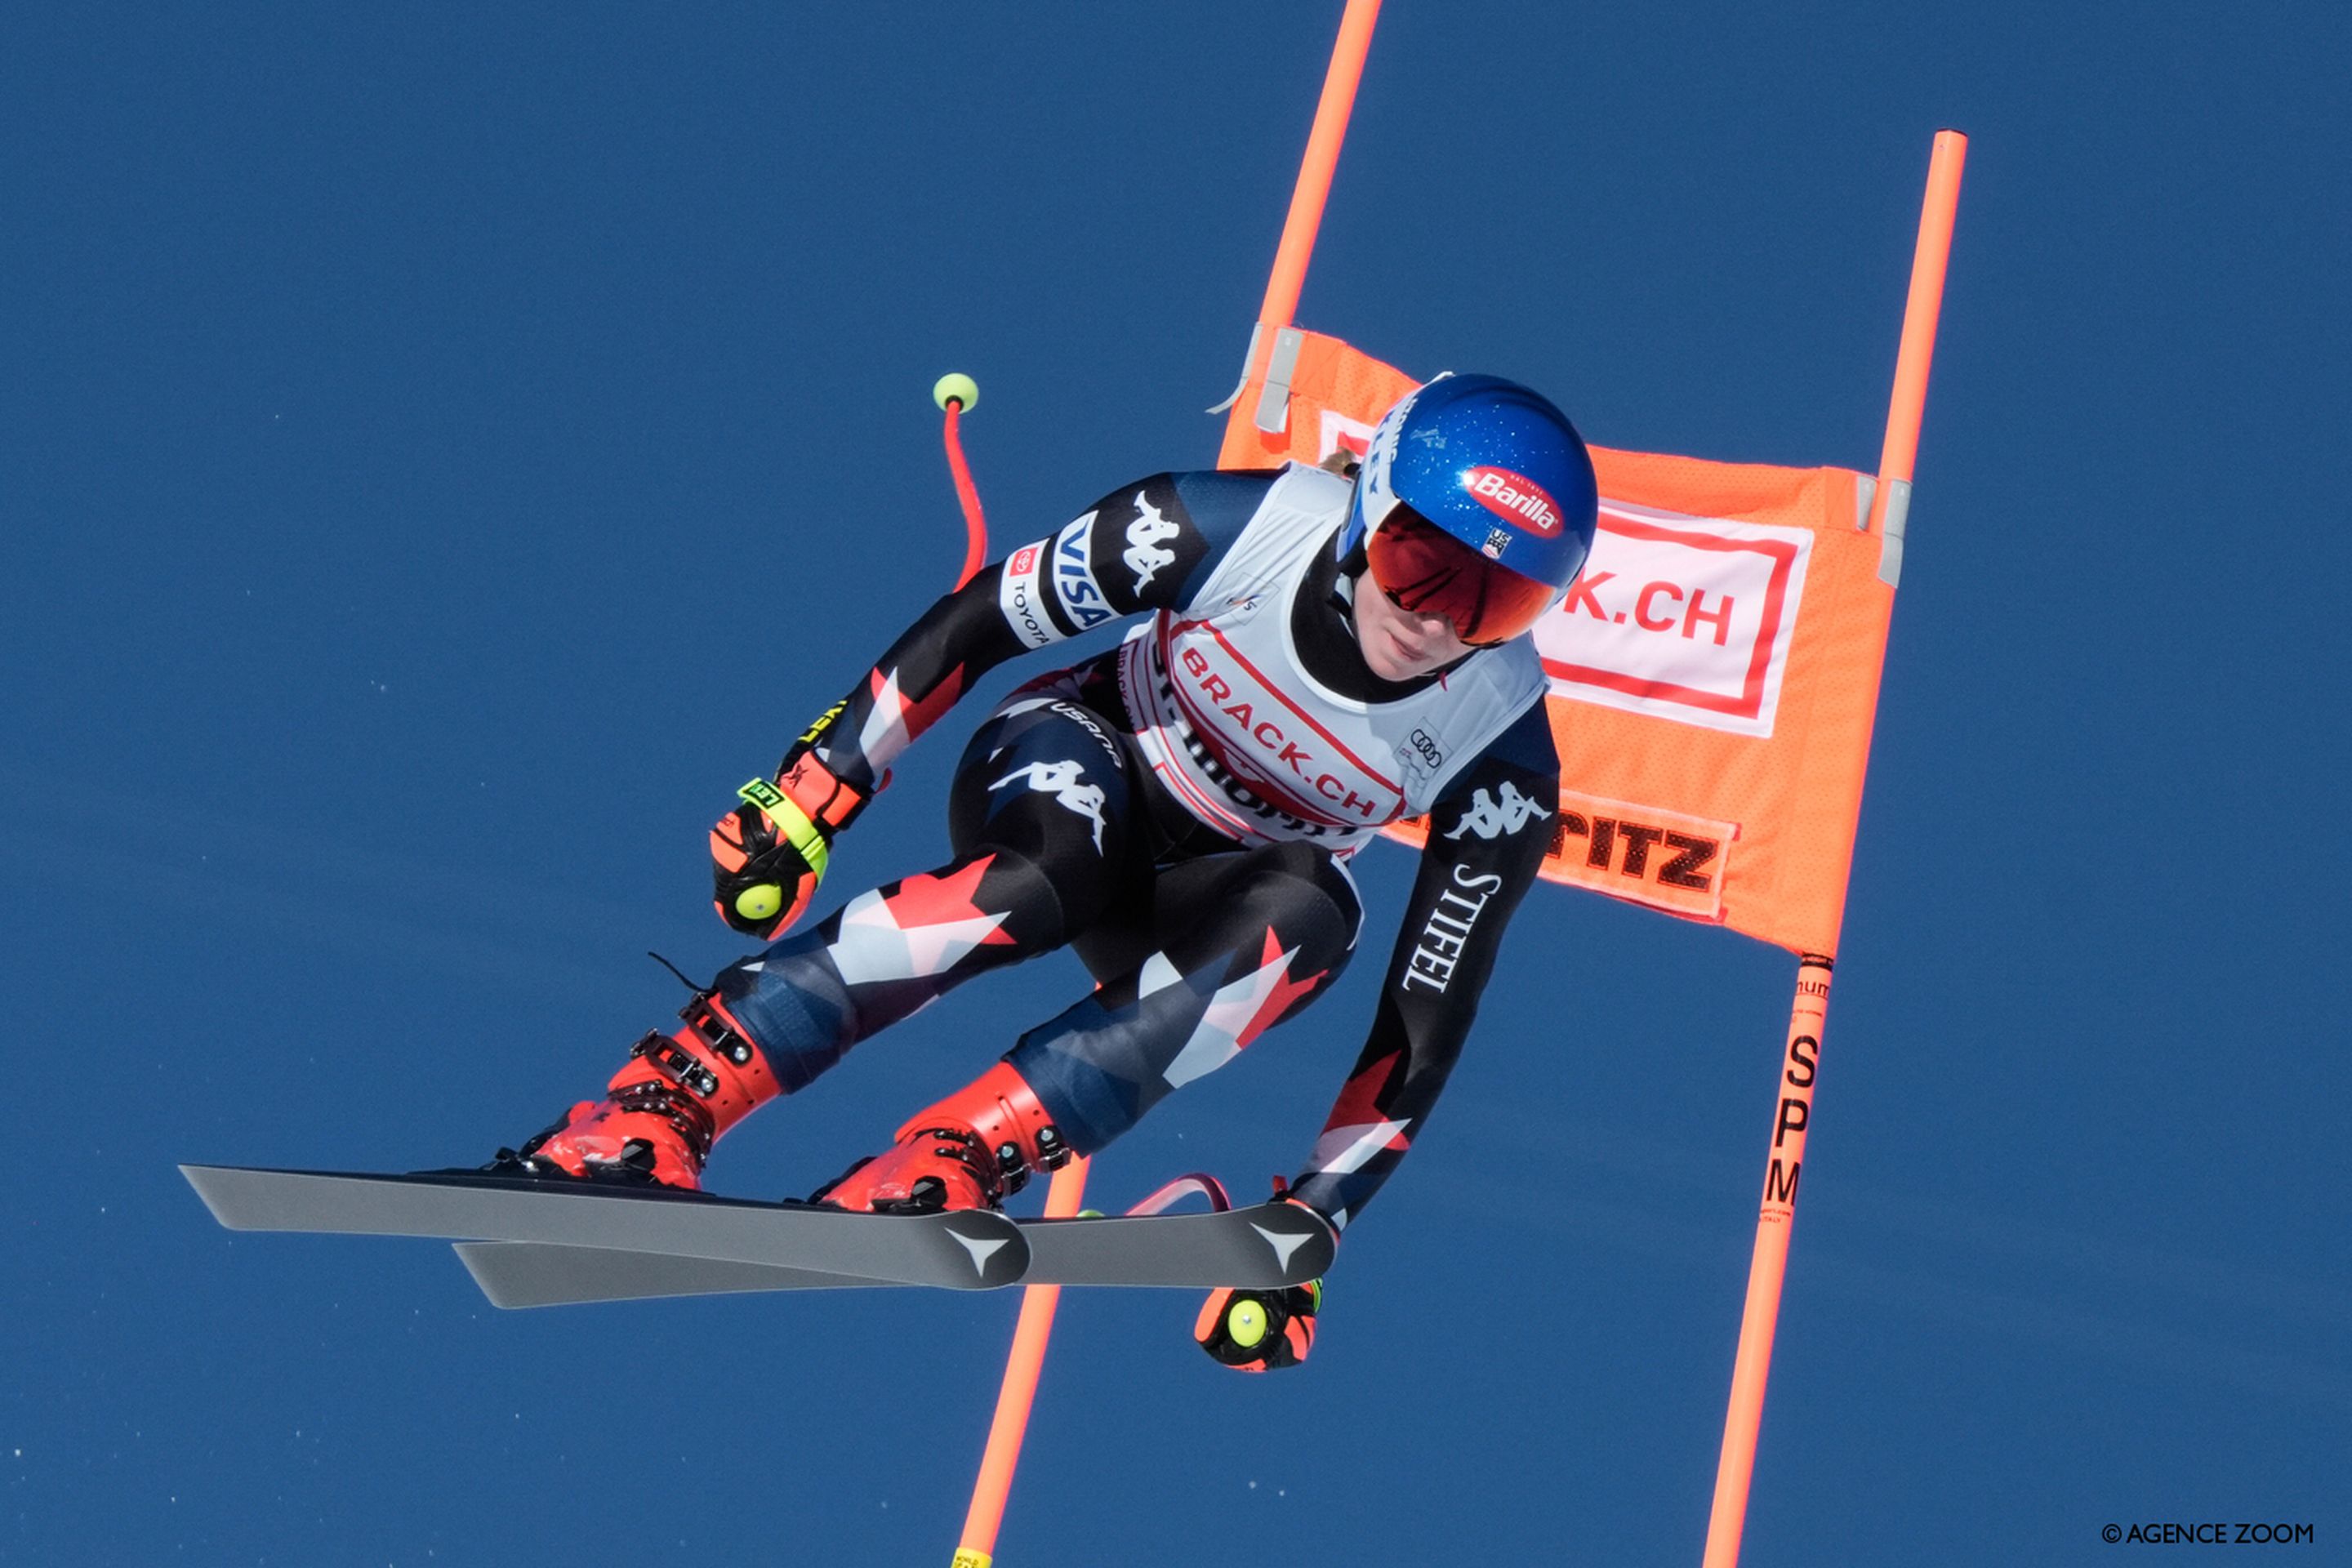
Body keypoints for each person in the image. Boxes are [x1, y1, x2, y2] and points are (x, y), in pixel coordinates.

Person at [492, 372, 1597, 1370]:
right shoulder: (1235, 523)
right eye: (1420, 561)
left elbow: (1428, 1007)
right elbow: (989, 618)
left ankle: (950, 1158)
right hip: (1082, 754)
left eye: (1494, 604)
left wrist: (1316, 1221)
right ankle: (669, 1095)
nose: (1437, 619)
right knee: (1046, 876)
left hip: (1206, 896)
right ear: (1369, 507)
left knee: (1319, 920)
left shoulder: (1501, 747)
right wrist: (816, 793)